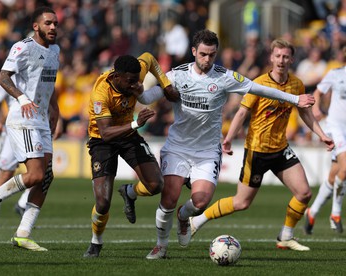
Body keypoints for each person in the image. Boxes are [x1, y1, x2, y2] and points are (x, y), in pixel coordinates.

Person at [137, 31, 321, 260]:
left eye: (212, 55)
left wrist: (295, 99)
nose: (207, 60)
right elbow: (146, 98)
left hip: (207, 151)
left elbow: (257, 88)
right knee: (169, 199)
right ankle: (160, 246)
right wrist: (137, 88)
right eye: (203, 54)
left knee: (201, 201)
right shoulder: (175, 76)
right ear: (194, 52)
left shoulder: (224, 77)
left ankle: (184, 218)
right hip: (178, 147)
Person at [188, 38, 334, 253]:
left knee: (304, 193)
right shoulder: (259, 84)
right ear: (271, 58)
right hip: (256, 151)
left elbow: (305, 113)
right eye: (277, 56)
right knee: (241, 203)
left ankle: (285, 237)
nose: (281, 60)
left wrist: (322, 134)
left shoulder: (296, 84)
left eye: (285, 56)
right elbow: (241, 112)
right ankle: (197, 221)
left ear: (292, 59)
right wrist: (228, 138)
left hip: (280, 149)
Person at [0, 6, 60, 252]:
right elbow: (3, 77)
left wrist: (56, 110)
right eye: (48, 23)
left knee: (46, 178)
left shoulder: (55, 50)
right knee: (36, 175)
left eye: (55, 23)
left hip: (41, 118)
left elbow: (50, 82)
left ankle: (23, 234)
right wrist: (22, 98)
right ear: (36, 26)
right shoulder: (23, 47)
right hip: (23, 117)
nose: (53, 27)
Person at [83, 52, 179, 258]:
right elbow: (107, 133)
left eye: (137, 80)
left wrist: (166, 85)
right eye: (131, 81)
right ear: (117, 77)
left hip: (128, 135)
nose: (136, 85)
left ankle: (130, 193)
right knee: (102, 202)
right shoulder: (101, 93)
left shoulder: (134, 73)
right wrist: (136, 123)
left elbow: (151, 59)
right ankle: (96, 242)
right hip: (103, 141)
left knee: (156, 185)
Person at [304, 56, 346, 234]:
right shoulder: (336, 74)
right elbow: (318, 91)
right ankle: (335, 214)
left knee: (334, 176)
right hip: (336, 127)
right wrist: (316, 108)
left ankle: (312, 212)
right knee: (345, 169)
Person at [0, 83, 29, 227]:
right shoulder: (10, 78)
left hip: (34, 128)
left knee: (42, 171)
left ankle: (23, 204)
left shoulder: (38, 74)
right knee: (6, 174)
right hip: (13, 129)